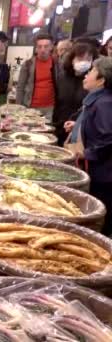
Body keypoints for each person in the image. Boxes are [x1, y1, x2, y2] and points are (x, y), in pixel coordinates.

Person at [64, 57, 112, 235]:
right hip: (96, 169)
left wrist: (87, 154)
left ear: (101, 80)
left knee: (98, 218)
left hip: (103, 174)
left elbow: (108, 139)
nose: (86, 75)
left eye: (91, 71)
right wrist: (76, 125)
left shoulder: (105, 103)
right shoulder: (97, 99)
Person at [53, 43, 98, 145]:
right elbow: (56, 100)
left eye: (88, 59)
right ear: (72, 59)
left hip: (80, 128)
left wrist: (79, 124)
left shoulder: (93, 81)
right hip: (59, 124)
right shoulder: (61, 77)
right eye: (80, 58)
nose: (84, 62)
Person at [16, 33, 57, 120]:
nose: (42, 50)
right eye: (39, 46)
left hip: (50, 107)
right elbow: (20, 86)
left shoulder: (57, 64)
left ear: (51, 47)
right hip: (30, 107)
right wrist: (19, 107)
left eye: (46, 46)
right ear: (36, 48)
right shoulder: (28, 64)